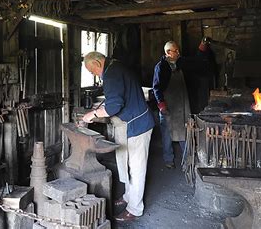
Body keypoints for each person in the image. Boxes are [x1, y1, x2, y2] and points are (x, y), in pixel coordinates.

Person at [82, 51, 155, 222]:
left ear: (98, 63)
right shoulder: (114, 67)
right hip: (130, 122)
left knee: (136, 168)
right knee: (127, 163)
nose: (93, 75)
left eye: (92, 71)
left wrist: (91, 115)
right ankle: (129, 197)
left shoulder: (112, 74)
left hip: (139, 124)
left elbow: (114, 106)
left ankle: (135, 209)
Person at [152, 41, 191, 169]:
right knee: (167, 134)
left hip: (181, 105)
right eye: (176, 51)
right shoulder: (161, 67)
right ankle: (168, 159)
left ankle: (187, 160)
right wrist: (162, 105)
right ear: (168, 52)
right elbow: (156, 88)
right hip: (168, 105)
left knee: (184, 132)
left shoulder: (180, 64)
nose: (178, 53)